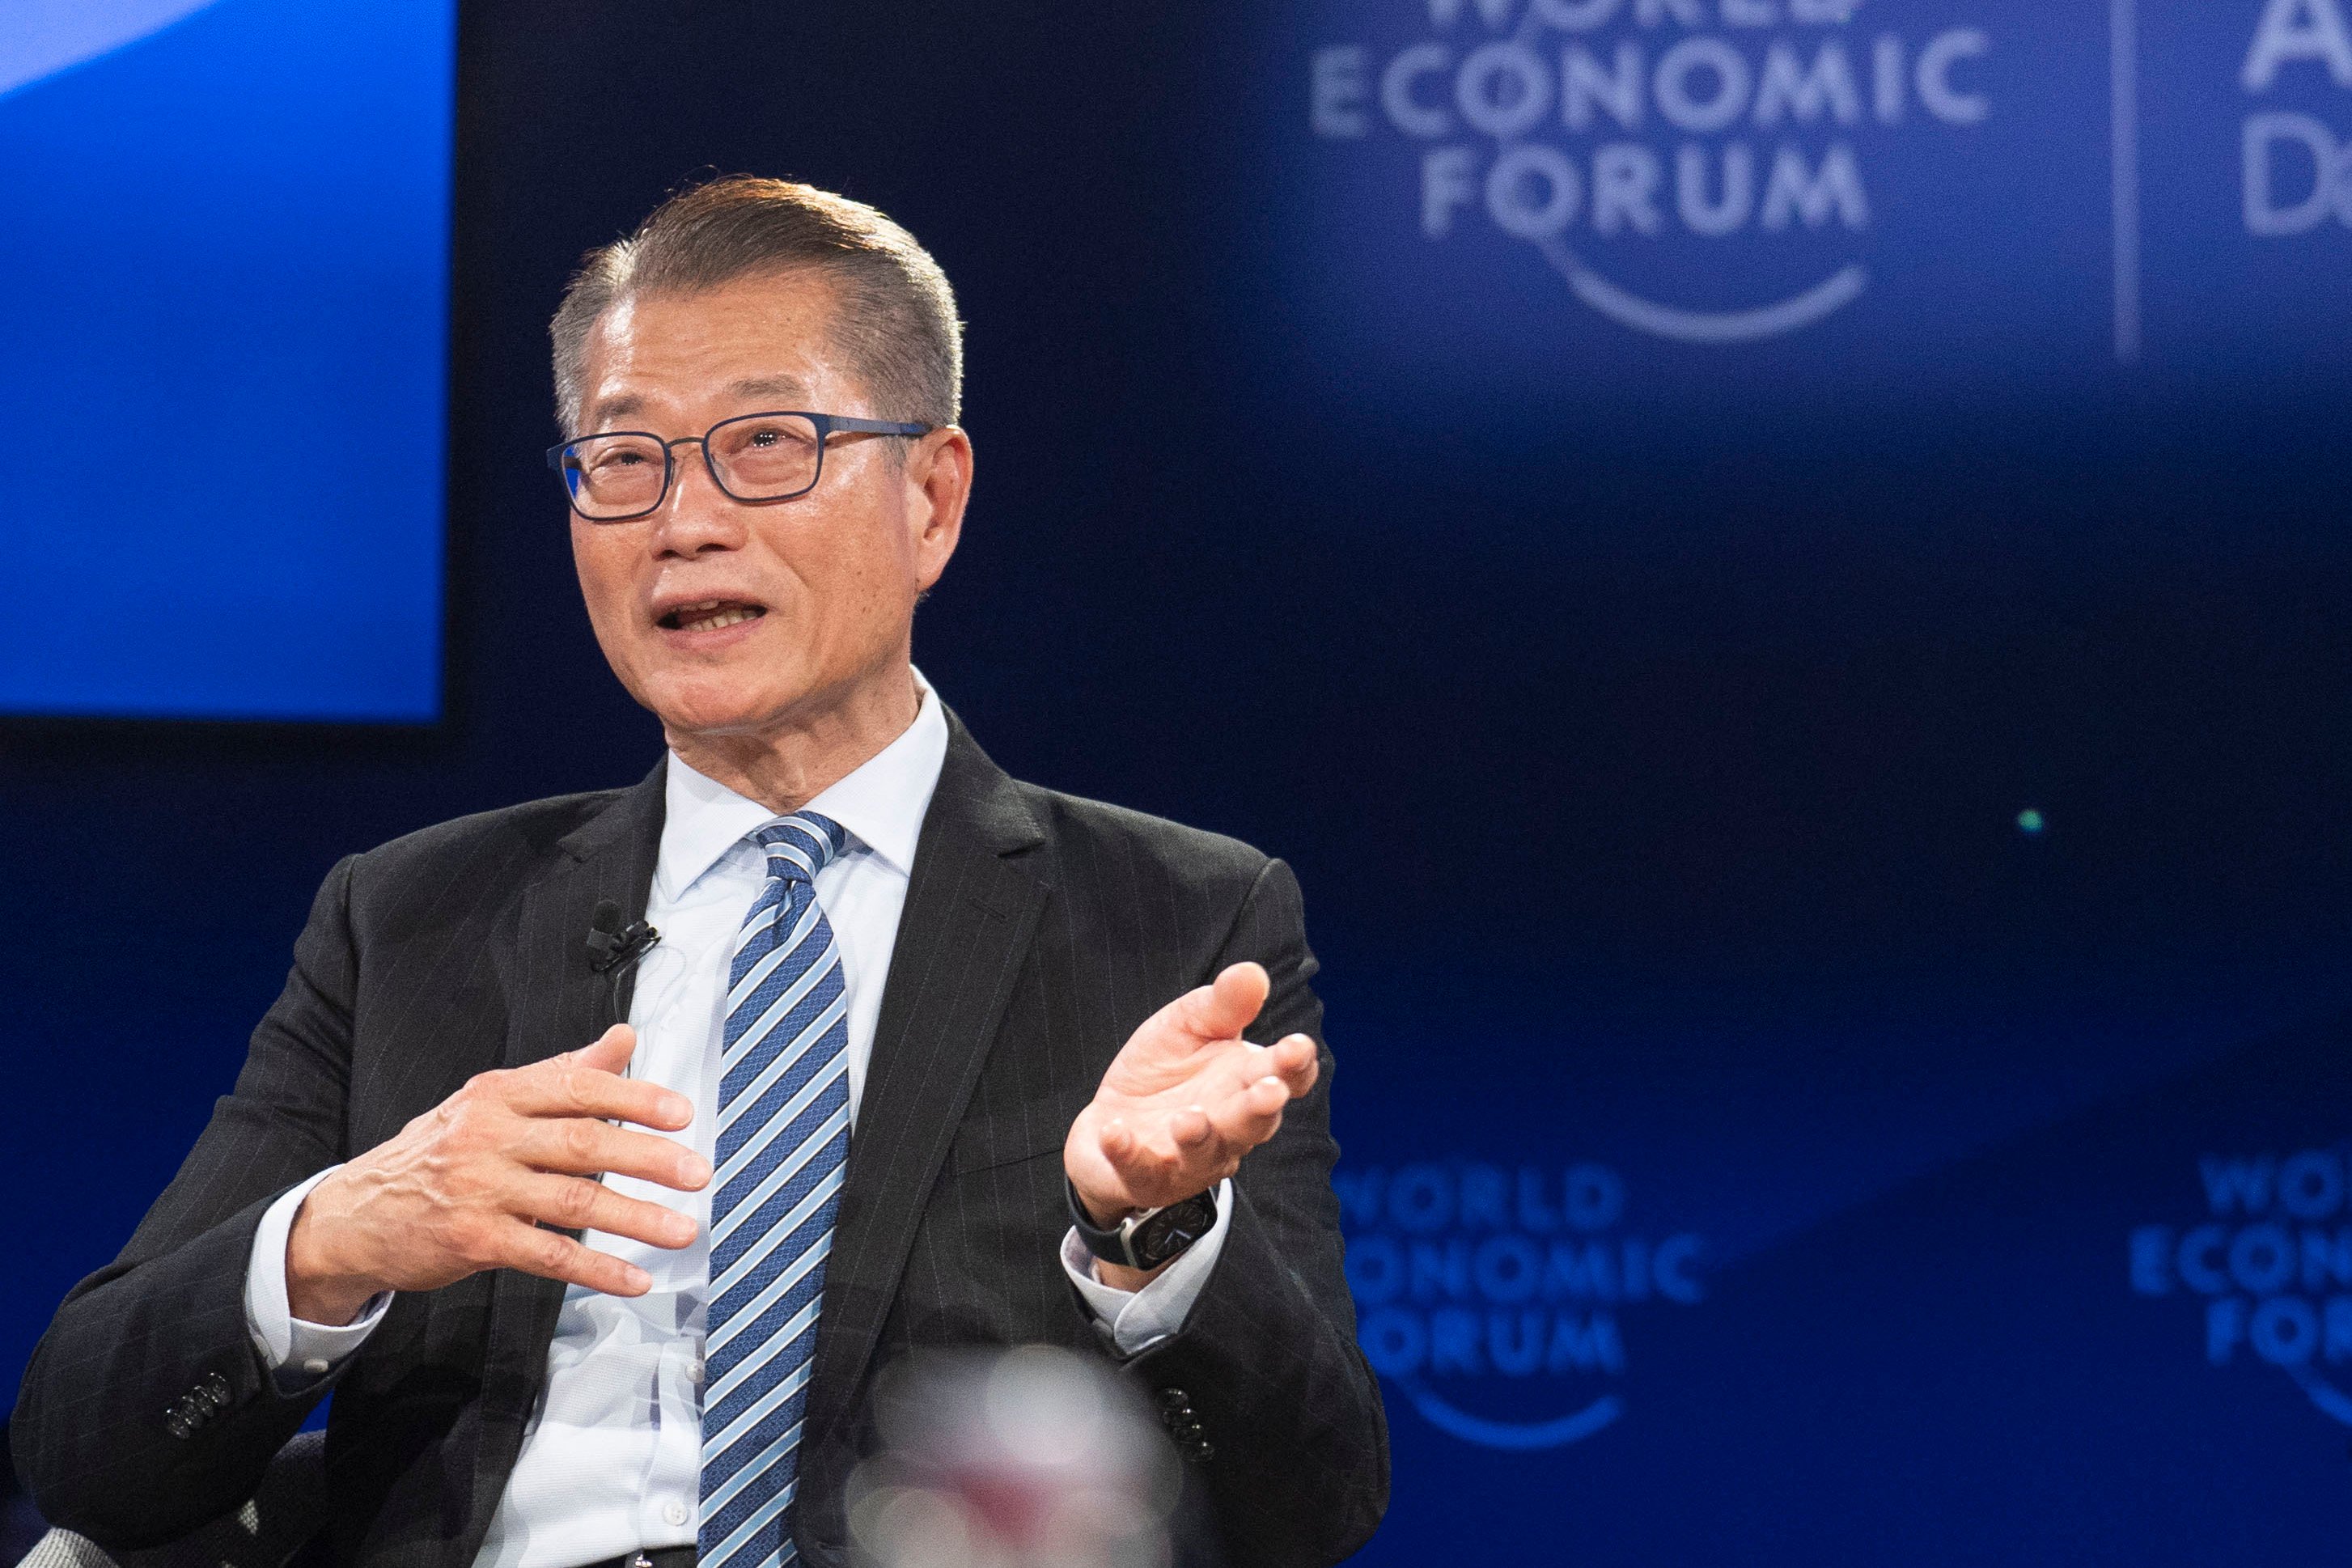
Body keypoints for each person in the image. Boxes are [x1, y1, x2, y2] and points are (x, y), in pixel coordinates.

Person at [11, 178, 1387, 1568]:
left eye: (767, 445)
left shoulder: (1172, 920)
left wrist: (1152, 1239)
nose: (684, 521)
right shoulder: (410, 917)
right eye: (623, 461)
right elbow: (86, 1449)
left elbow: (1309, 1506)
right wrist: (342, 1234)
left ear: (932, 495)